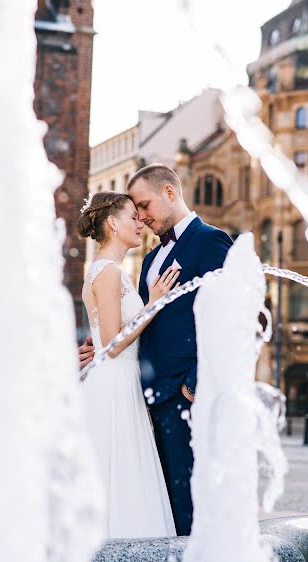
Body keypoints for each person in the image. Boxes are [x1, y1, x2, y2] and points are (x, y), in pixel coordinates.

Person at [80, 164, 233, 536]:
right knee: (154, 498)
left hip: (183, 397)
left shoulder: (211, 240)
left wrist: (193, 387)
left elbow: (229, 317)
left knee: (188, 504)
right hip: (141, 396)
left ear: (169, 192)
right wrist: (98, 343)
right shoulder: (148, 260)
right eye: (135, 212)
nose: (143, 217)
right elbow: (138, 324)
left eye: (144, 206)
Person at [77, 191, 177, 539]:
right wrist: (153, 304)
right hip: (114, 384)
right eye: (133, 216)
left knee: (122, 472)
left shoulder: (110, 271)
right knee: (119, 472)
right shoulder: (107, 271)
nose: (140, 223)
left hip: (119, 382)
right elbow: (113, 344)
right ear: (112, 223)